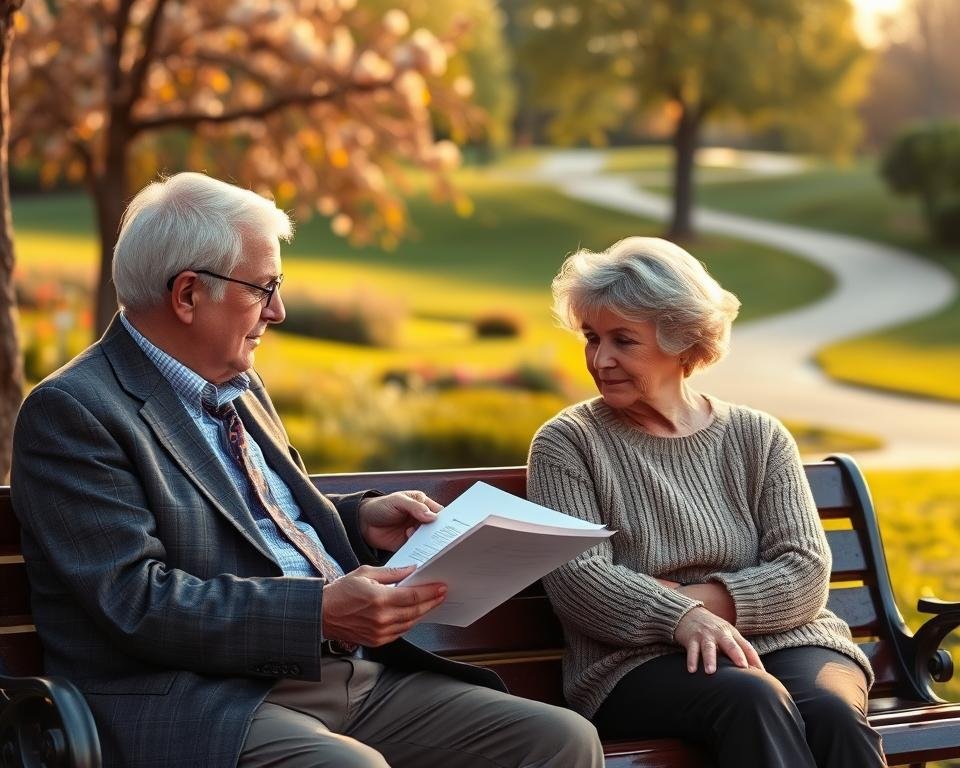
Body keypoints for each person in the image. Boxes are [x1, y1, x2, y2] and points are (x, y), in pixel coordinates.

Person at [11, 172, 603, 768]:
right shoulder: (74, 412)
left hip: (340, 675)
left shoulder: (237, 388)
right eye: (263, 287)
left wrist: (360, 521)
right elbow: (134, 601)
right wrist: (317, 611)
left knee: (560, 740)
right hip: (203, 698)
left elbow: (257, 526)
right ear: (188, 294)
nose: (279, 310)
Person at [526, 236, 886, 767]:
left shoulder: (757, 435)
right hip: (638, 662)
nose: (600, 359)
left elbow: (805, 572)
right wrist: (680, 619)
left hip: (793, 640)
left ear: (682, 341)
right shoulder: (568, 443)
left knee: (831, 714)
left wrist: (691, 598)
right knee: (753, 700)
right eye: (591, 337)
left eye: (624, 341)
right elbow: (580, 582)